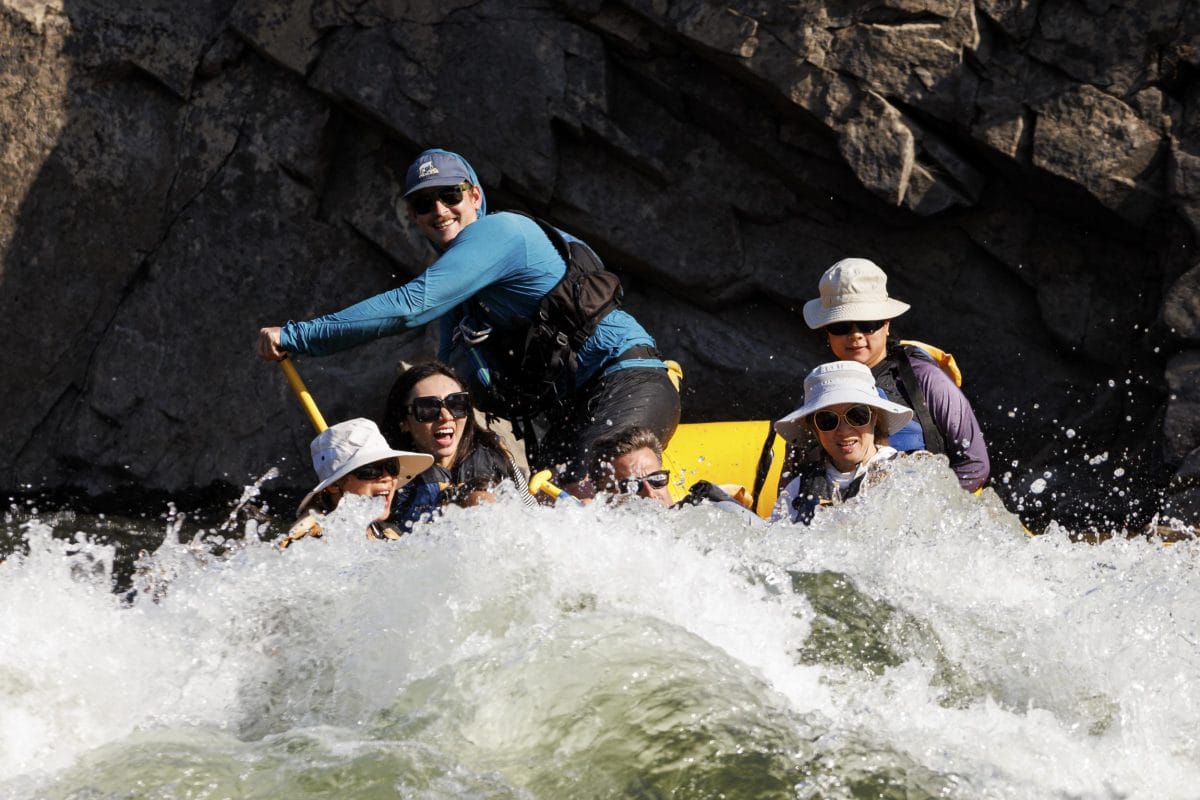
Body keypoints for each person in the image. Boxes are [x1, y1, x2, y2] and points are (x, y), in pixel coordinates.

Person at [255, 148, 680, 490]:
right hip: (571, 414)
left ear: (475, 196)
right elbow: (449, 380)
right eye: (424, 203)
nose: (439, 209)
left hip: (627, 378)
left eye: (450, 195)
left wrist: (299, 336)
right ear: (416, 216)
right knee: (550, 505)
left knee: (596, 481)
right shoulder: (465, 302)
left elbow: (408, 307)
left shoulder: (503, 233)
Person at [801, 257, 989, 491]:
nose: (855, 335)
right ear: (826, 331)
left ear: (887, 324)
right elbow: (799, 471)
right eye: (841, 326)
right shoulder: (822, 389)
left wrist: (927, 509)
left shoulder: (926, 379)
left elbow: (975, 464)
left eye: (867, 323)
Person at [381, 360, 535, 530]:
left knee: (480, 500)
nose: (446, 416)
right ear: (403, 421)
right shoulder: (385, 474)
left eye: (457, 404)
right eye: (428, 408)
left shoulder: (495, 455)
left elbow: (532, 514)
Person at [773, 361, 915, 524]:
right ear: (814, 427)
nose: (844, 431)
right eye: (827, 420)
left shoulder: (905, 476)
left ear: (874, 417)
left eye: (857, 415)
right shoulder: (796, 490)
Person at [278, 418, 433, 548]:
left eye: (392, 466)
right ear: (333, 485)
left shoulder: (387, 535)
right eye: (371, 470)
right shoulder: (306, 541)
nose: (387, 477)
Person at [588, 426, 764, 525]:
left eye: (657, 479)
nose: (650, 494)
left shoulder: (716, 515)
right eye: (630, 487)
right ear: (603, 497)